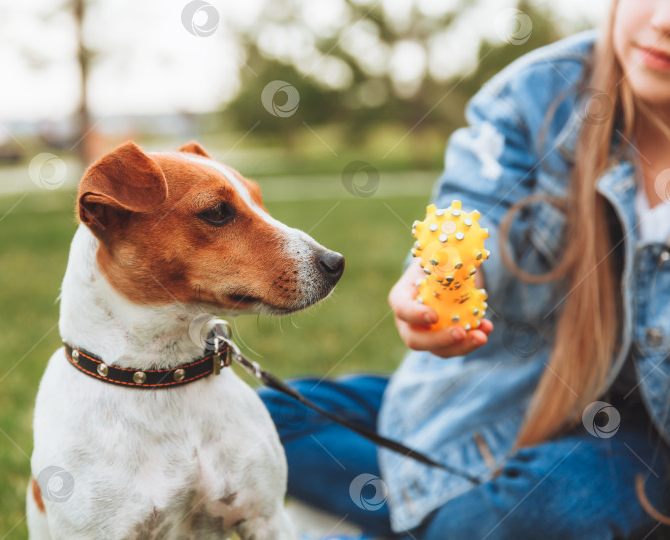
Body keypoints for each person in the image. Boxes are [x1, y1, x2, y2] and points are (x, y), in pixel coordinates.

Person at [259, 1, 670, 538]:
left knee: (546, 509)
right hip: (496, 398)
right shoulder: (534, 94)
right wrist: (437, 281)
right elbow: (473, 214)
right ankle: (443, 515)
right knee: (258, 419)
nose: (663, 20)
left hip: (637, 435)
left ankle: (439, 517)